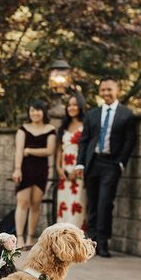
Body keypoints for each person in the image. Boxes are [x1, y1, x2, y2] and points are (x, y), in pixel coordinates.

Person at [76, 77, 137, 258]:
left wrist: (121, 162)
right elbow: (84, 140)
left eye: (109, 89)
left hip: (111, 164)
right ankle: (91, 242)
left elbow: (130, 140)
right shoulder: (92, 114)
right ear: (100, 91)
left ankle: (102, 242)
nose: (106, 93)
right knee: (92, 204)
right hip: (92, 162)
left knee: (105, 203)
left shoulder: (127, 114)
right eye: (103, 90)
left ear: (117, 90)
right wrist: (80, 163)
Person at [12, 100, 56, 249]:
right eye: (32, 110)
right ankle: (20, 238)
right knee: (22, 202)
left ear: (43, 112)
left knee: (35, 204)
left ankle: (30, 238)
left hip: (41, 170)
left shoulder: (50, 129)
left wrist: (29, 151)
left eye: (38, 110)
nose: (35, 113)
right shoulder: (22, 129)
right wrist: (17, 169)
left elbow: (49, 150)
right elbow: (19, 150)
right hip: (25, 168)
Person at [56, 93, 87, 230]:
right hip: (64, 173)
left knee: (77, 206)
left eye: (75, 104)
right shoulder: (64, 126)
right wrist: (58, 168)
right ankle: (62, 242)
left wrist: (78, 169)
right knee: (63, 205)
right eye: (69, 105)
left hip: (79, 171)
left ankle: (76, 242)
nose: (71, 107)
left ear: (80, 106)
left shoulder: (86, 124)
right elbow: (59, 150)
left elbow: (87, 148)